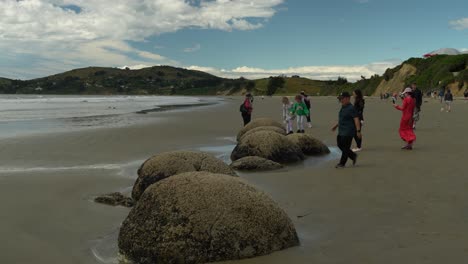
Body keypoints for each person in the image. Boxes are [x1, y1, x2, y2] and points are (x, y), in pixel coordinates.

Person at [332, 92, 361, 168]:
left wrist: (358, 131)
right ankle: (353, 155)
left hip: (348, 131)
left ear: (348, 98)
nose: (341, 100)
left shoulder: (351, 108)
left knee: (345, 147)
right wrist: (336, 126)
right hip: (341, 130)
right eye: (340, 99)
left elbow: (356, 119)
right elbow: (342, 119)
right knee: (340, 144)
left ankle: (342, 163)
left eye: (342, 99)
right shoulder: (343, 107)